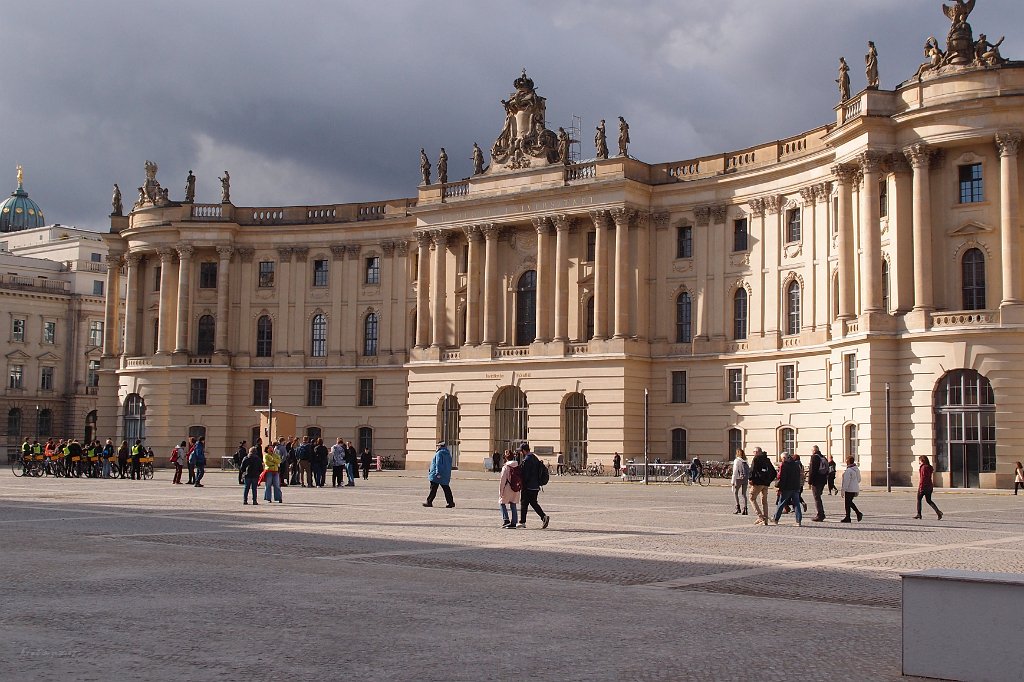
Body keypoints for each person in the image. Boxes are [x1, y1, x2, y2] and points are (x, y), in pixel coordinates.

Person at [518, 443, 550, 529]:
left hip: (528, 485)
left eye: (521, 451)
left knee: (524, 503)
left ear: (524, 451)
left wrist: (522, 484)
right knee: (533, 503)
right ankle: (543, 517)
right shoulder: (534, 457)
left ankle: (522, 522)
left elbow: (526, 474)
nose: (520, 453)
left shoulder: (527, 460)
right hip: (535, 485)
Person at [772, 451, 803, 526]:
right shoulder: (796, 464)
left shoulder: (784, 465)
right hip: (795, 487)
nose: (781, 460)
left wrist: (780, 489)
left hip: (787, 487)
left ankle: (776, 519)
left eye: (781, 458)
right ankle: (798, 521)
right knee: (796, 504)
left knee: (781, 503)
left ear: (784, 458)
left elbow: (783, 478)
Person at [748, 447, 776, 525]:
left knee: (751, 497)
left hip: (758, 483)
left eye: (754, 452)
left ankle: (760, 516)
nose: (753, 453)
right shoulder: (767, 459)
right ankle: (765, 520)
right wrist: (768, 480)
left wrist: (751, 479)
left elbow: (752, 470)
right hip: (765, 484)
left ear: (757, 452)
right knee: (764, 502)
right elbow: (774, 472)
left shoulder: (756, 459)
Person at [423, 441, 455, 508]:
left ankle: (429, 502)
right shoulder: (448, 454)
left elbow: (438, 464)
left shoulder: (439, 453)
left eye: (438, 445)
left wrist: (438, 473)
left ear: (440, 446)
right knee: (446, 489)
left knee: (433, 489)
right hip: (445, 474)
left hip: (436, 474)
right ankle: (451, 502)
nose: (437, 447)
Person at [913, 455, 943, 520]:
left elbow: (923, 478)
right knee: (929, 500)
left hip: (924, 486)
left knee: (919, 499)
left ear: (922, 461)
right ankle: (938, 512)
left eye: (919, 461)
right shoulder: (929, 467)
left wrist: (921, 487)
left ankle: (919, 514)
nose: (919, 462)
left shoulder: (923, 467)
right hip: (929, 486)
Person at [499, 451, 521, 528]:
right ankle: (514, 522)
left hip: (507, 487)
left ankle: (506, 520)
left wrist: (500, 492)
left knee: (501, 503)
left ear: (505, 458)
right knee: (513, 504)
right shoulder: (517, 465)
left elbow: (502, 480)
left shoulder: (506, 467)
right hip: (516, 488)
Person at [807, 445, 828, 522]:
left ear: (814, 451)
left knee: (817, 498)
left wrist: (810, 481)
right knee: (818, 497)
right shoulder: (823, 457)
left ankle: (820, 514)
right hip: (823, 480)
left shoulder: (814, 457)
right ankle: (821, 513)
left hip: (816, 481)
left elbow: (812, 470)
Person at [840, 456, 862, 523]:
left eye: (846, 461)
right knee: (850, 503)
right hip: (855, 488)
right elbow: (859, 479)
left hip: (849, 489)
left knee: (847, 504)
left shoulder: (848, 470)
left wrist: (843, 490)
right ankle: (856, 514)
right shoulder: (856, 469)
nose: (846, 462)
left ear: (848, 462)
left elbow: (846, 481)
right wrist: (854, 484)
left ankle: (849, 516)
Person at [731, 449, 749, 515]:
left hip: (738, 478)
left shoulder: (737, 460)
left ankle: (738, 508)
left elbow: (735, 472)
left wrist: (732, 481)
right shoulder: (746, 460)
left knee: (735, 493)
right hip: (745, 478)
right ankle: (745, 509)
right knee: (744, 494)